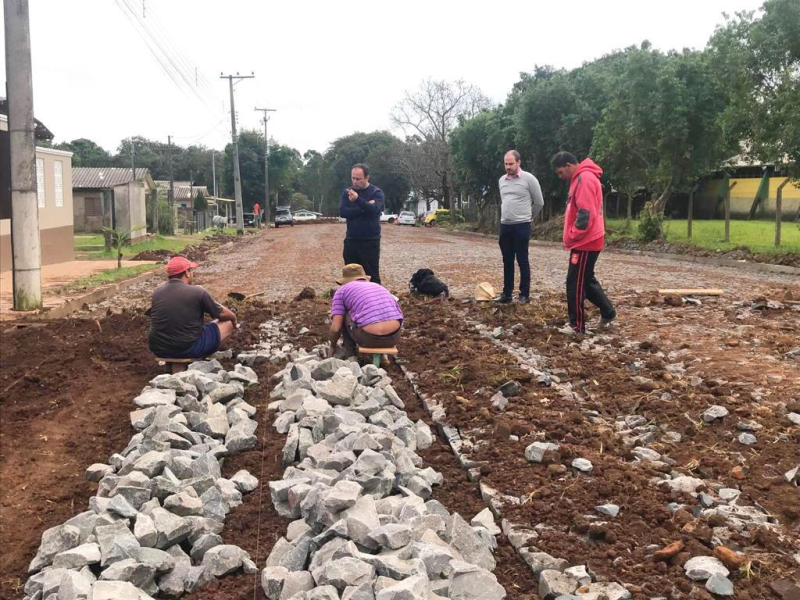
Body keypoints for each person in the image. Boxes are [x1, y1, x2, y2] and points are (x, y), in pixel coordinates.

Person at [551, 151, 616, 334]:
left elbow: (585, 215)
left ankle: (577, 326)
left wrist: (573, 234)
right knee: (586, 280)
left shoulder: (584, 180)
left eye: (560, 172)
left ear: (569, 165)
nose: (560, 177)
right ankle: (608, 312)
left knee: (575, 283)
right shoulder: (581, 178)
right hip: (588, 239)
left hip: (586, 241)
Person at [148, 256, 237, 358]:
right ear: (187, 272)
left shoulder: (157, 292)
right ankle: (203, 356)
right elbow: (221, 314)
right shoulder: (197, 292)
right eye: (191, 270)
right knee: (228, 323)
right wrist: (234, 317)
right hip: (186, 349)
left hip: (159, 349)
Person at [495, 150, 544, 304]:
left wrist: (529, 217)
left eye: (511, 164)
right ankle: (507, 294)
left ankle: (524, 294)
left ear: (518, 162)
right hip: (505, 226)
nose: (508, 167)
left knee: (522, 259)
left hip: (522, 226)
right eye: (506, 164)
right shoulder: (501, 180)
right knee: (507, 260)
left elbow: (539, 202)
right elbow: (505, 200)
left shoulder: (529, 179)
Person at [328, 263, 403, 358]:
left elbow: (336, 328)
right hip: (394, 337)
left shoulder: (341, 291)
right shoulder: (379, 287)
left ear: (344, 281)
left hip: (368, 339)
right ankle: (384, 356)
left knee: (342, 315)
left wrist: (332, 346)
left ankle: (351, 354)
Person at [340, 163, 385, 285]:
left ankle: (375, 301)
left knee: (372, 276)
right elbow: (343, 212)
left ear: (367, 178)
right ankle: (352, 302)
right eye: (353, 178)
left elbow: (374, 210)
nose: (355, 182)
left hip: (370, 241)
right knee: (350, 277)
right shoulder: (347, 192)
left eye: (358, 179)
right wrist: (364, 207)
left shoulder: (376, 193)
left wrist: (357, 201)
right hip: (351, 240)